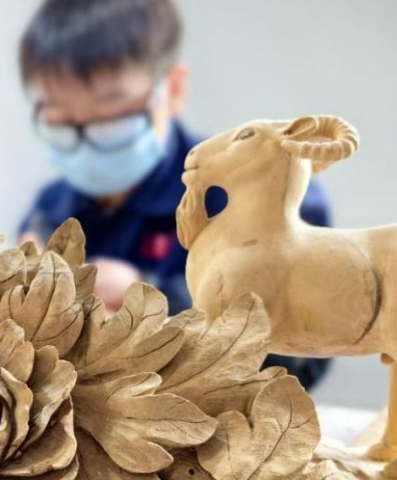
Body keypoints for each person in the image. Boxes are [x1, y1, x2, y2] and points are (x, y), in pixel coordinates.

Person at [17, 0, 331, 389]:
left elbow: (303, 358)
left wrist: (161, 307)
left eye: (110, 118)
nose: (86, 142)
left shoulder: (261, 193)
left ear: (172, 89)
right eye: (61, 122)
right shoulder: (49, 212)